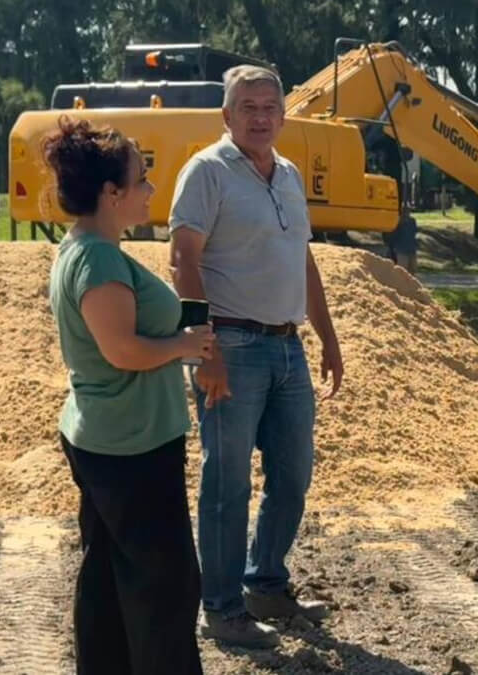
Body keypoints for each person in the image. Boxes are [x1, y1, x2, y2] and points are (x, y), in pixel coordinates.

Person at [169, 64, 344, 650]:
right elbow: (182, 259)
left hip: (287, 347)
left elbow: (305, 261)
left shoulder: (289, 174)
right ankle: (219, 607)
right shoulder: (206, 172)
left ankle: (265, 583)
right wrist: (204, 347)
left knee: (293, 475)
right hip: (233, 347)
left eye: (271, 106)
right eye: (249, 106)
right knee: (227, 482)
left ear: (285, 114)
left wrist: (327, 335)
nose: (262, 116)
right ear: (227, 114)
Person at [45, 115, 214, 675]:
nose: (150, 190)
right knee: (164, 591)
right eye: (141, 180)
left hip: (108, 438)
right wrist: (183, 343)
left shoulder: (84, 250)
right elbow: (122, 350)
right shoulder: (97, 260)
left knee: (111, 581)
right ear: (111, 193)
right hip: (131, 448)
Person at [384, 205, 419, 275]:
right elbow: (393, 235)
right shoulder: (397, 222)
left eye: (408, 211)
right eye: (405, 211)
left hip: (411, 249)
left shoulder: (412, 221)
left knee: (413, 270)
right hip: (401, 250)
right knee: (402, 270)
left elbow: (414, 232)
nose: (407, 213)